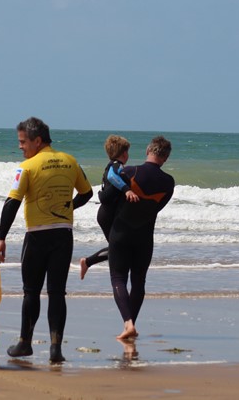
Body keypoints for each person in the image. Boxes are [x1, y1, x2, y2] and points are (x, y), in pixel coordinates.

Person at [0, 117, 93, 363]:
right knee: (57, 293)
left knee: (31, 292)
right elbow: (87, 192)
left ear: (37, 140)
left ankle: (25, 343)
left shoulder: (27, 166)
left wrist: (1, 238)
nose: (20, 147)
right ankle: (55, 349)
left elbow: (12, 203)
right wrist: (68, 207)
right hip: (63, 235)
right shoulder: (71, 161)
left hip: (37, 236)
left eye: (22, 142)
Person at [108, 136, 175, 340]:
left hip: (121, 231)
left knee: (118, 278)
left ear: (148, 150)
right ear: (166, 158)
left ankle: (128, 324)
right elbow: (157, 208)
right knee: (138, 281)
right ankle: (131, 325)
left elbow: (109, 198)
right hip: (145, 235)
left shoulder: (129, 172)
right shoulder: (169, 182)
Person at [80, 135, 139, 280]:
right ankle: (90, 263)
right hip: (107, 214)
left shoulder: (114, 165)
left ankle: (89, 262)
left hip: (107, 213)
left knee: (118, 249)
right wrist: (127, 190)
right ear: (124, 153)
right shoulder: (116, 165)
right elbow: (113, 177)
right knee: (118, 249)